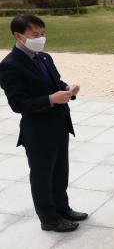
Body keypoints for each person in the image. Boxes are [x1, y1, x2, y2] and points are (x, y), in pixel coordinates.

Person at [0, 14, 87, 232]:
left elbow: (55, 83)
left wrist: (68, 90)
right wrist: (51, 99)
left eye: (42, 33)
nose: (40, 38)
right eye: (35, 35)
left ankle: (62, 208)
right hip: (38, 131)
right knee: (42, 177)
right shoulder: (10, 65)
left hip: (59, 124)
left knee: (60, 172)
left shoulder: (44, 57)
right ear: (19, 36)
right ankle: (49, 218)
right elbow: (18, 104)